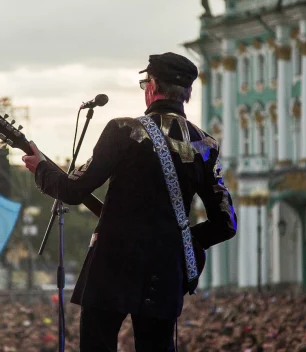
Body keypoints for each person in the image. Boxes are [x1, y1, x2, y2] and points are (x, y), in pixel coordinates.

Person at [22, 52, 238, 351]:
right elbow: (226, 224)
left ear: (152, 86)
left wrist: (41, 169)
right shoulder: (205, 145)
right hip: (165, 272)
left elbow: (73, 190)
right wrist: (178, 243)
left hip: (113, 264)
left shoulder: (125, 131)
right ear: (186, 93)